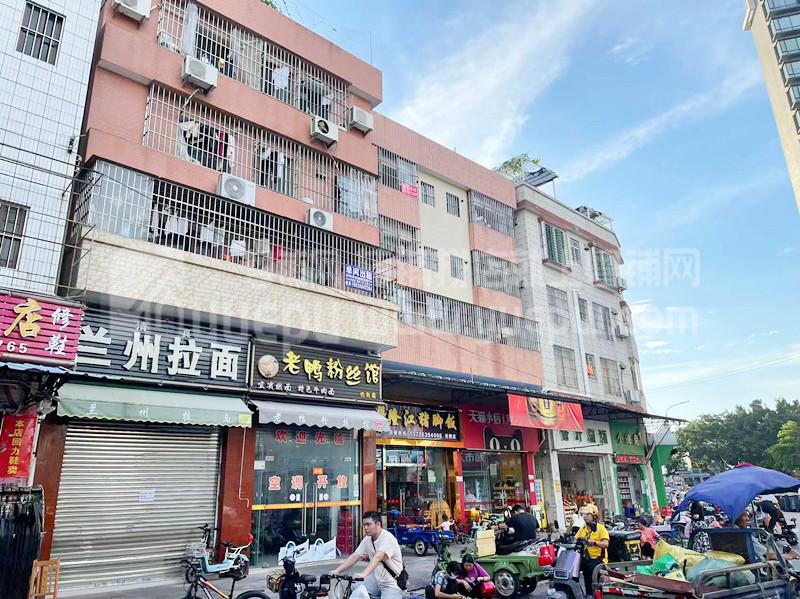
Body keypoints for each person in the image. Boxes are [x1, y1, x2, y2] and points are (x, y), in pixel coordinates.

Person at [333, 511, 404, 599]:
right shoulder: (368, 539)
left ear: (378, 524)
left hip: (391, 583)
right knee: (354, 586)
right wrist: (337, 571)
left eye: (368, 524)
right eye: (364, 525)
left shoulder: (387, 538)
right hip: (376, 581)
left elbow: (378, 557)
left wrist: (363, 574)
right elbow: (355, 556)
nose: (365, 528)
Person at [574, 510, 610, 597]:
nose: (585, 516)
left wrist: (595, 542)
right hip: (586, 558)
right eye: (583, 514)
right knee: (573, 571)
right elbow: (575, 539)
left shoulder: (601, 529)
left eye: (587, 514)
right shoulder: (583, 529)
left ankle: (596, 595)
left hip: (598, 559)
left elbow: (606, 544)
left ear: (594, 516)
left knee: (591, 574)